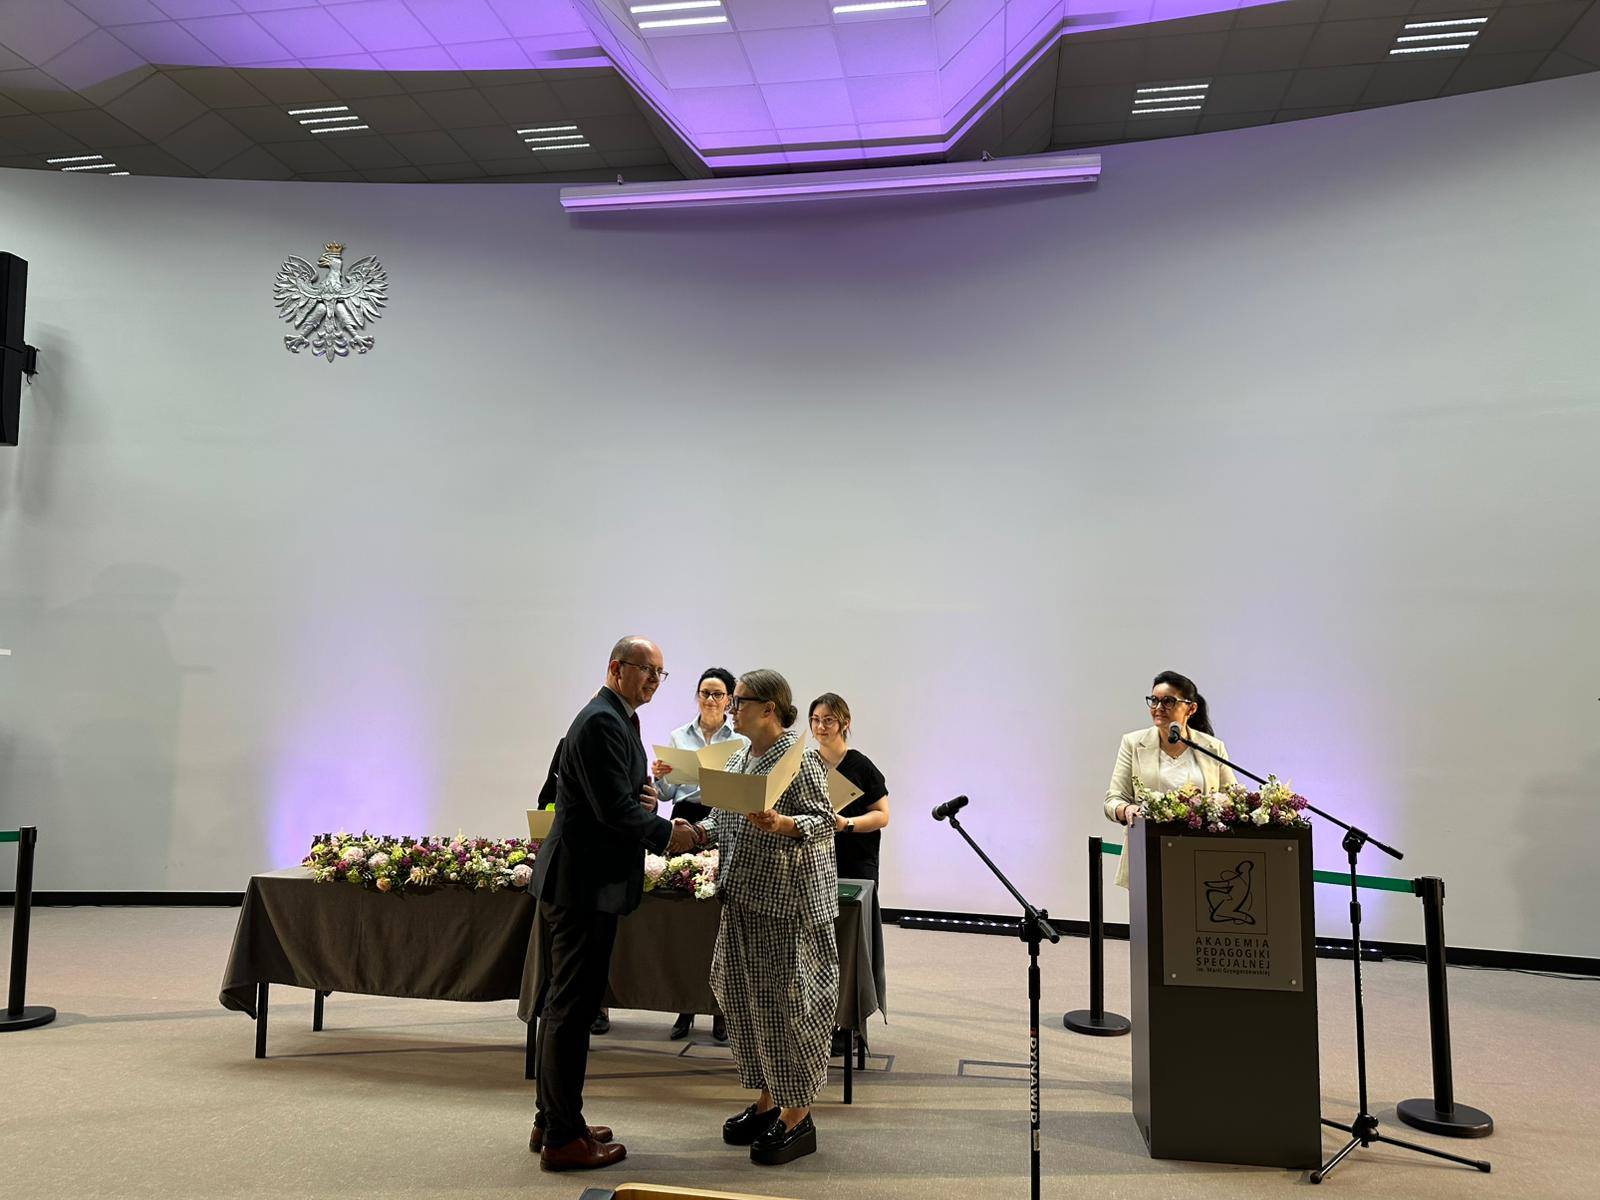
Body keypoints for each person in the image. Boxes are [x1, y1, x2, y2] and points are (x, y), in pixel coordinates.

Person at [528, 636, 696, 1172]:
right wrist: (668, 834)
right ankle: (563, 1139)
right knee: (571, 1010)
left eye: (660, 673)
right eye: (646, 669)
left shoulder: (621, 718)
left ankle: (554, 1119)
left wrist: (645, 798)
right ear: (616, 668)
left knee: (565, 1005)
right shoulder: (602, 720)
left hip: (583, 882)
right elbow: (610, 812)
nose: (653, 680)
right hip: (582, 886)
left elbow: (619, 796)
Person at [683, 669, 838, 1167]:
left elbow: (823, 822)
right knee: (741, 997)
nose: (731, 709)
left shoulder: (800, 759)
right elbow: (723, 818)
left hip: (787, 906)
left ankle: (798, 1114)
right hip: (743, 899)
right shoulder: (737, 756)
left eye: (740, 701)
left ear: (769, 708)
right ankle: (770, 1098)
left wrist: (783, 822)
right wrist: (695, 832)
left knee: (789, 1006)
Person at [651, 666, 743, 1042]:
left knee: (716, 917)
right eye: (705, 692)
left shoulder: (739, 741)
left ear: (730, 700)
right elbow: (667, 793)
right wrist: (660, 775)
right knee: (685, 915)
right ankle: (685, 1006)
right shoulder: (679, 735)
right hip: (685, 818)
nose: (710, 700)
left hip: (721, 819)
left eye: (718, 694)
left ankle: (719, 1010)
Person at [808, 692, 889, 1057]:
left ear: (844, 723)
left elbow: (882, 815)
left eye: (828, 719)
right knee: (820, 943)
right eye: (815, 719)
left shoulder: (860, 765)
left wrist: (848, 823)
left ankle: (851, 1026)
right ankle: (822, 1020)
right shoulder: (807, 763)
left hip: (856, 863)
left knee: (852, 946)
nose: (821, 726)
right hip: (817, 862)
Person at [1103, 670, 1237, 887]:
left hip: (1203, 855)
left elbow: (1233, 798)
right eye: (1154, 700)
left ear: (1191, 708)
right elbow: (1113, 800)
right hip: (1150, 854)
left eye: (1168, 701)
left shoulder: (1212, 747)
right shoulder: (1133, 743)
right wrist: (1127, 809)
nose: (1158, 707)